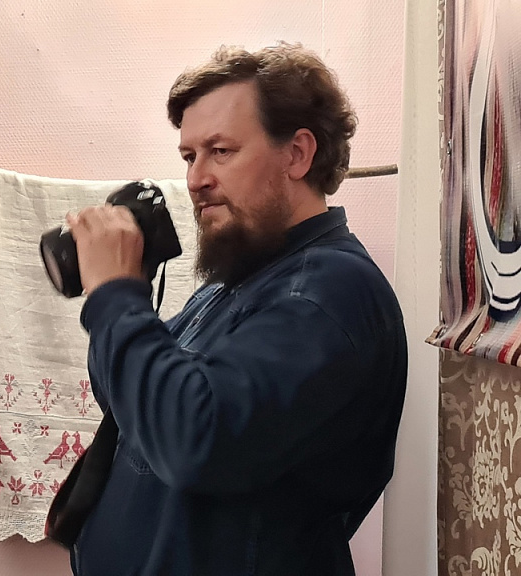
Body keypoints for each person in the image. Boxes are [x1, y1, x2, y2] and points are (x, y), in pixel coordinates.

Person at [62, 43, 408, 575]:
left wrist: (116, 297)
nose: (195, 179)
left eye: (220, 151)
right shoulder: (245, 280)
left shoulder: (327, 294)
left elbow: (193, 441)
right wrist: (126, 289)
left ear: (297, 154)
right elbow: (135, 402)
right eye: (189, 157)